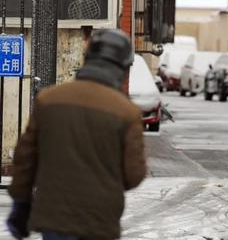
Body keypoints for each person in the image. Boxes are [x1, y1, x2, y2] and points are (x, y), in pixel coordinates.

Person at [7, 29, 147, 240]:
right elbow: (134, 174)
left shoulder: (49, 100)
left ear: (88, 58)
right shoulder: (127, 112)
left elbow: (25, 159)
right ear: (123, 67)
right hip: (100, 221)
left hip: (54, 218)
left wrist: (21, 204)